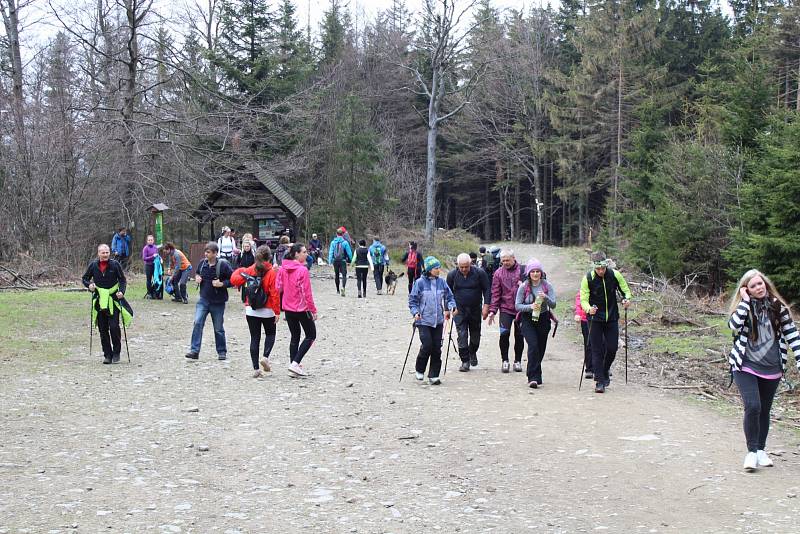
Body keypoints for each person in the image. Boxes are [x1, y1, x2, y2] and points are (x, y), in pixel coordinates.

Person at [728, 269, 800, 471]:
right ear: (746, 290)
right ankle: (751, 453)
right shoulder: (744, 307)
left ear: (766, 285)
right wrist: (744, 302)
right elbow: (733, 326)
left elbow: (791, 334)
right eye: (753, 286)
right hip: (745, 365)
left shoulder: (778, 308)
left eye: (760, 284)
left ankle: (761, 450)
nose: (758, 288)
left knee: (764, 410)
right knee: (753, 406)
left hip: (772, 367)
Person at [580, 251, 632, 393]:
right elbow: (583, 299)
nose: (601, 271)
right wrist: (588, 308)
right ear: (593, 267)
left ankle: (603, 370)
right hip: (595, 318)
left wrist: (626, 299)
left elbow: (625, 291)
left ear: (606, 265)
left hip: (612, 317)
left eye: (603, 268)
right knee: (597, 350)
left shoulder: (614, 275)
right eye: (598, 268)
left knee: (612, 348)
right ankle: (599, 381)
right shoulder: (588, 278)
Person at [230, 245, 281, 378]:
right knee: (270, 334)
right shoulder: (271, 272)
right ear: (269, 257)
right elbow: (274, 293)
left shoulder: (250, 270)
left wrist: (241, 270)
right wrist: (277, 311)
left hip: (251, 309)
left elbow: (233, 279)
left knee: (254, 338)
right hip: (268, 310)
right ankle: (265, 356)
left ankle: (256, 369)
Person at [409, 256, 457, 385]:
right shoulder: (419, 282)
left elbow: (449, 297)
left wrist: (452, 306)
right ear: (429, 269)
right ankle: (419, 369)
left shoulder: (442, 282)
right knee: (427, 345)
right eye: (436, 268)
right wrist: (415, 312)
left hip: (439, 321)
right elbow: (412, 301)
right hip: (423, 320)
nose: (438, 270)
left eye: (439, 267)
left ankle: (434, 375)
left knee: (437, 348)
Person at [185, 242, 233, 361]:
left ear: (215, 253)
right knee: (197, 323)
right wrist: (197, 278)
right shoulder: (202, 263)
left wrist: (222, 284)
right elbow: (197, 273)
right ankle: (194, 351)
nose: (206, 254)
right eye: (205, 252)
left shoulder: (223, 265)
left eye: (208, 252)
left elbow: (233, 280)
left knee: (218, 328)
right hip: (203, 300)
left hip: (218, 302)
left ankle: (222, 352)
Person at [277, 243, 318, 377]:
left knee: (295, 336)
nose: (306, 254)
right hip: (301, 308)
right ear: (296, 254)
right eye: (304, 252)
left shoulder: (283, 269)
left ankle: (293, 366)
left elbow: (279, 287)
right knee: (311, 335)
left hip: (288, 308)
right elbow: (307, 292)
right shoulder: (302, 270)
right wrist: (313, 309)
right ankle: (295, 363)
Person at [82, 244, 128, 364]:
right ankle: (107, 355)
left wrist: (121, 292)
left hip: (113, 299)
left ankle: (116, 353)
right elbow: (85, 278)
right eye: (103, 253)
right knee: (103, 329)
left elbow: (122, 280)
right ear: (99, 253)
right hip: (99, 300)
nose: (106, 254)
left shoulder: (115, 264)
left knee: (114, 327)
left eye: (107, 252)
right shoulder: (93, 265)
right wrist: (89, 285)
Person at [515, 259, 557, 388]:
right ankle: (533, 377)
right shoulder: (524, 287)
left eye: (537, 271)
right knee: (533, 345)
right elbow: (517, 306)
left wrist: (545, 297)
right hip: (527, 319)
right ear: (528, 273)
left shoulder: (547, 285)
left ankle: (535, 373)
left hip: (543, 318)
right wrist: (530, 306)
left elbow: (554, 304)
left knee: (540, 348)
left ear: (541, 272)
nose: (535, 274)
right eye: (532, 271)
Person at [446, 253, 491, 371]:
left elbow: (487, 289)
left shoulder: (479, 273)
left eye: (466, 267)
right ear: (458, 265)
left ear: (470, 264)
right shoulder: (452, 275)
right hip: (459, 310)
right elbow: (447, 293)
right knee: (462, 334)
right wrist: (447, 309)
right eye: (461, 267)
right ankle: (465, 361)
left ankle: (472, 352)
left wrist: (486, 306)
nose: (464, 269)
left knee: (475, 335)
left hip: (475, 308)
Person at [487, 249, 524, 373]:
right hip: (505, 309)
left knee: (519, 335)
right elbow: (495, 293)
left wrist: (523, 284)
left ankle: (518, 361)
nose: (505, 263)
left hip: (521, 309)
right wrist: (492, 310)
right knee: (504, 334)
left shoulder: (523, 271)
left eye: (507, 260)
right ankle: (505, 360)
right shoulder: (498, 273)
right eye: (503, 261)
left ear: (513, 258)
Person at [328, 228, 353, 296]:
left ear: (336, 234)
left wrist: (329, 261)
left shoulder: (333, 242)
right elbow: (349, 253)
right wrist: (351, 260)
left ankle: (338, 290)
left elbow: (331, 252)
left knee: (337, 275)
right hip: (343, 260)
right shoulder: (345, 242)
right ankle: (343, 288)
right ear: (343, 234)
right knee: (344, 275)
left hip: (335, 261)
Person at [574, 291, 592, 379]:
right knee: (588, 343)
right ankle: (589, 368)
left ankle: (603, 367)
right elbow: (579, 300)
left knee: (603, 342)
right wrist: (578, 313)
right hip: (586, 318)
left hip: (602, 318)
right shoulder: (587, 281)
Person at [141, 235, 159, 299]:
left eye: (151, 240)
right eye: (149, 240)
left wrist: (159, 259)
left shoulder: (155, 247)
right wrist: (152, 256)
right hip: (148, 266)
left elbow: (157, 256)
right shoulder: (145, 248)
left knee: (155, 279)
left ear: (153, 241)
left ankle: (154, 293)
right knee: (149, 280)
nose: (150, 241)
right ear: (147, 241)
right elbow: (144, 258)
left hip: (155, 266)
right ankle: (149, 293)